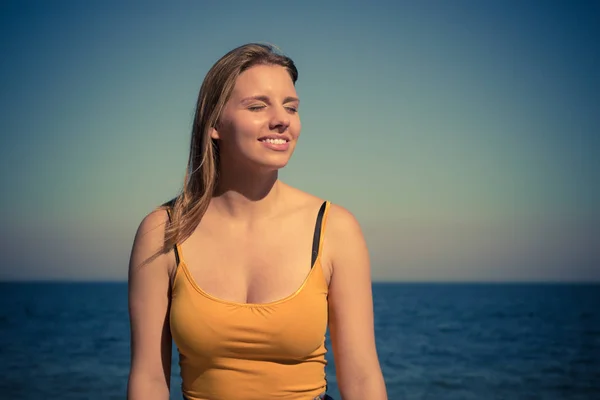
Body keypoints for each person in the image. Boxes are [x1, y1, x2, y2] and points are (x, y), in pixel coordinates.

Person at [127, 43, 387, 400]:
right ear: (215, 123)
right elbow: (149, 379)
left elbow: (361, 378)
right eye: (257, 106)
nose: (281, 118)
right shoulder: (164, 231)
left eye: (291, 107)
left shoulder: (335, 229)